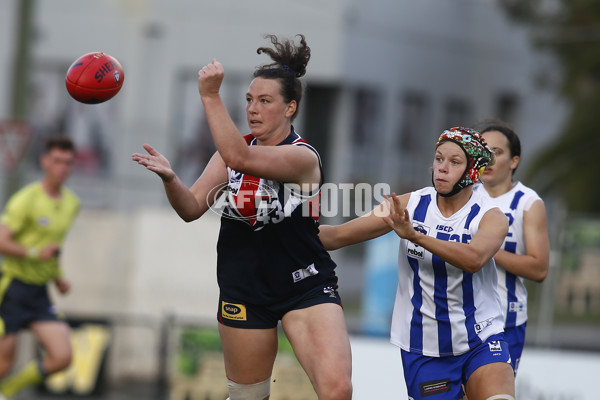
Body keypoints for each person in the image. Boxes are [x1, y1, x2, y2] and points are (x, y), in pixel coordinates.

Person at [132, 34, 352, 400]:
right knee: (248, 397)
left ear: (290, 108)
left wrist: (209, 96)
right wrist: (171, 180)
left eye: (265, 101)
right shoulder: (231, 154)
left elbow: (241, 159)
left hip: (304, 285)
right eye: (249, 100)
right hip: (245, 287)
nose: (253, 109)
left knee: (337, 391)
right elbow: (190, 209)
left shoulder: (302, 157)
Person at [319, 127, 515, 400]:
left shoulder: (491, 215)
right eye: (438, 159)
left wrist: (415, 236)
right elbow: (338, 236)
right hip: (423, 345)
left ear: (472, 170)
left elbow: (474, 259)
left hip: (481, 337)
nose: (442, 168)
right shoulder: (410, 203)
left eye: (454, 162)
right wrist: (286, 227)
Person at [0, 136, 79, 399]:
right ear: (45, 161)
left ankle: (7, 392)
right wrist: (35, 253)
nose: (62, 168)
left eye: (68, 163)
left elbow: (53, 249)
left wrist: (58, 277)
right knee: (4, 364)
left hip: (39, 293)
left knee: (62, 357)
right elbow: (2, 241)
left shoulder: (71, 204)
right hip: (12, 288)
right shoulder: (26, 199)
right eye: (57, 161)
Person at [475, 122, 549, 375]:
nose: (488, 158)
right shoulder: (462, 196)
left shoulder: (528, 203)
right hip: (459, 319)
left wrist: (486, 249)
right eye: (482, 150)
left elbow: (539, 269)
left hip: (505, 322)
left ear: (514, 161)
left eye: (497, 152)